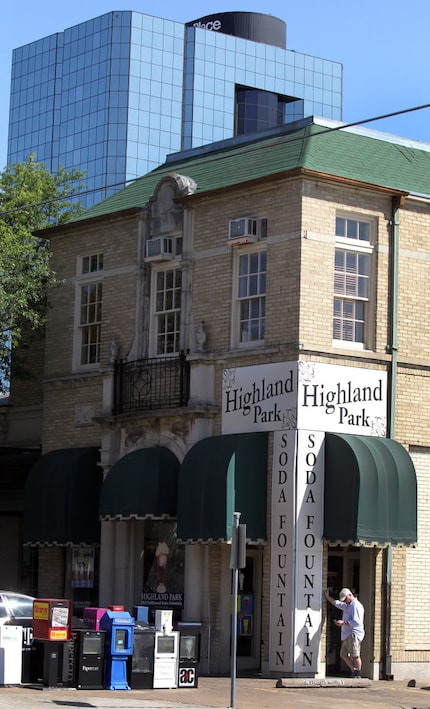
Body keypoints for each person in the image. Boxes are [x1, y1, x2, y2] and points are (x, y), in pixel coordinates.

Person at [324, 587, 365, 678]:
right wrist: (328, 597)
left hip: (354, 634)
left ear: (350, 595)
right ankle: (354, 671)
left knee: (355, 654)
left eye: (345, 599)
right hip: (347, 634)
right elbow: (337, 604)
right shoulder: (348, 605)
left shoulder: (356, 606)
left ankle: (358, 673)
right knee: (343, 654)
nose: (345, 601)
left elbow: (356, 622)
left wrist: (343, 623)